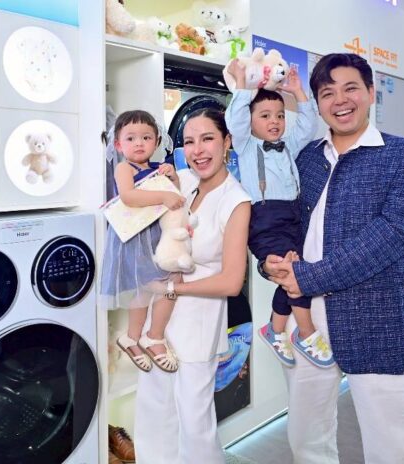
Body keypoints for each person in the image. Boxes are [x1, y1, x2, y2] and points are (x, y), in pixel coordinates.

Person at [263, 53, 404, 463]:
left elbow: (391, 236)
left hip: (376, 318)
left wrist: (308, 277)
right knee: (306, 436)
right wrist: (269, 261)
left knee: (394, 444)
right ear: (318, 104)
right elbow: (281, 219)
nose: (340, 100)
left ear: (371, 93)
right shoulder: (305, 158)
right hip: (305, 319)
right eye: (327, 93)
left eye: (351, 88)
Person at [134, 108, 251, 463]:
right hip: (159, 320)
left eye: (207, 138)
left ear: (227, 141)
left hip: (198, 321)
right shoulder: (182, 181)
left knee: (194, 423)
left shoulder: (235, 200)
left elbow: (232, 281)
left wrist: (173, 290)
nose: (198, 150)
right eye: (189, 141)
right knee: (154, 411)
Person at [224, 59, 333, 369]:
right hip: (264, 220)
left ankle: (275, 329)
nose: (274, 121)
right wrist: (243, 84)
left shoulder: (288, 145)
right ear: (250, 120)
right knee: (293, 272)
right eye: (265, 116)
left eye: (280, 115)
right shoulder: (246, 145)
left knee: (294, 271)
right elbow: (235, 120)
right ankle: (306, 333)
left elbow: (308, 125)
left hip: (293, 217)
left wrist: (298, 92)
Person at [100, 110, 185, 373]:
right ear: (118, 145)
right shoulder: (124, 168)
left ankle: (133, 337)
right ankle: (152, 337)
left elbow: (176, 196)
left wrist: (173, 178)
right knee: (159, 286)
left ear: (156, 142)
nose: (139, 143)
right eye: (131, 138)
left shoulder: (157, 169)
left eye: (146, 137)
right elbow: (129, 196)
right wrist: (162, 195)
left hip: (157, 236)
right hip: (136, 238)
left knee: (153, 288)